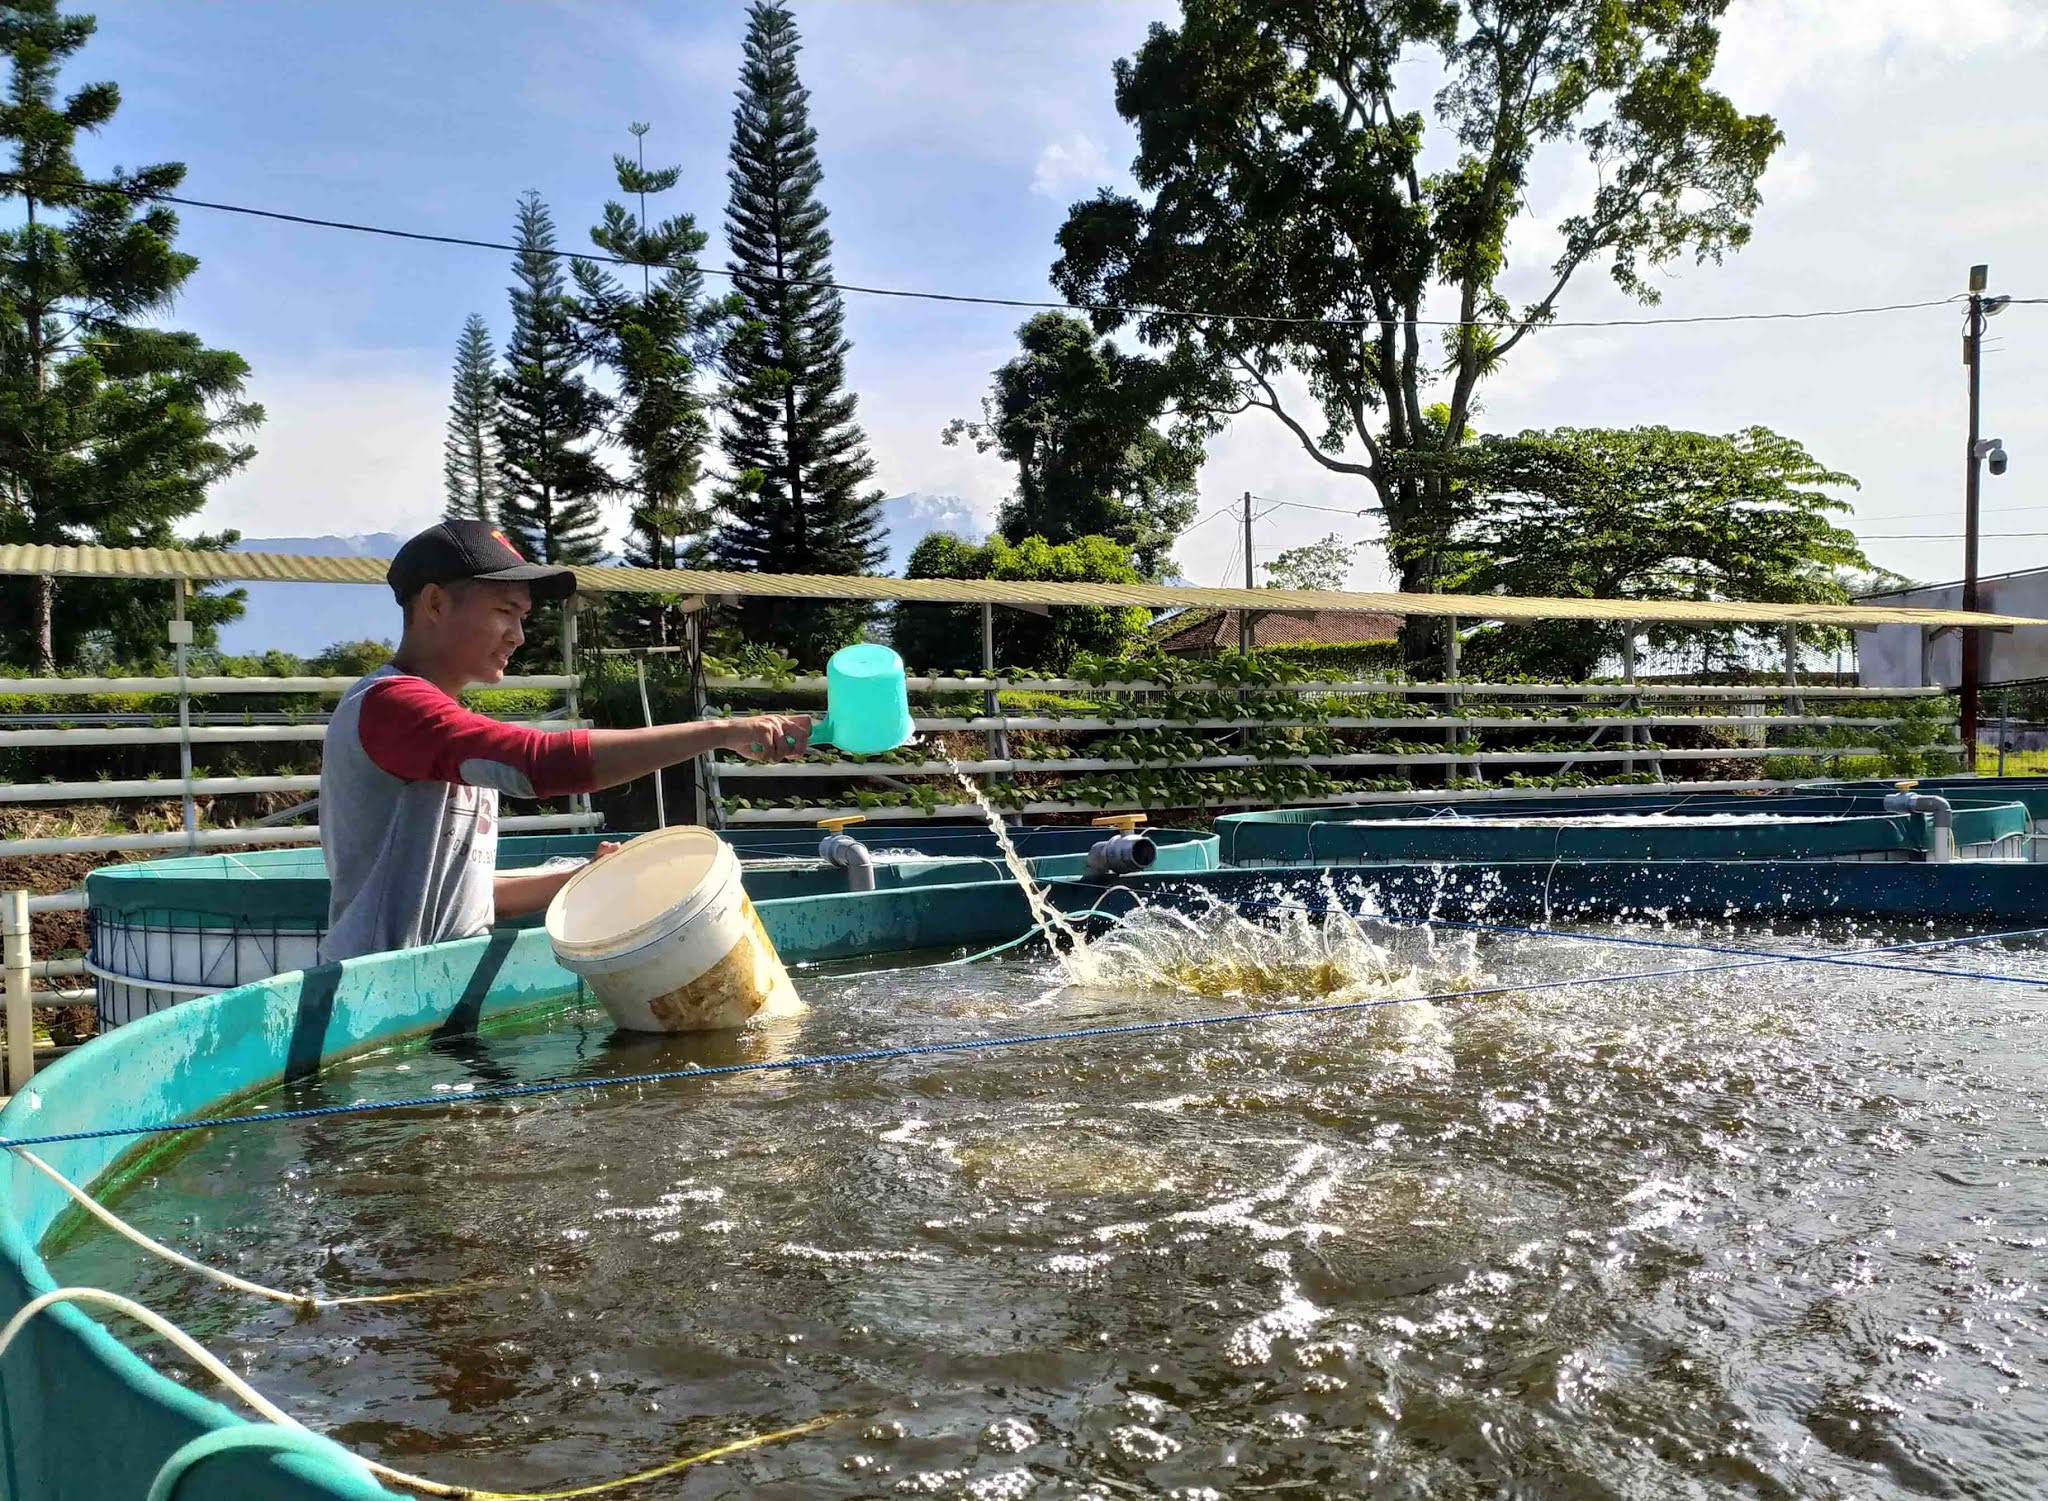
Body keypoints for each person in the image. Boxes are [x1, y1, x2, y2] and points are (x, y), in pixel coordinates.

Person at [319, 519, 809, 963]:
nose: (518, 636)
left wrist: (582, 878)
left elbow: (462, 895)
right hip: (374, 995)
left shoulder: (437, 720)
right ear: (435, 604)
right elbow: (537, 766)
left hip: (429, 985)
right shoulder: (393, 707)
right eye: (504, 612)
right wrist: (719, 731)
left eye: (524, 618)